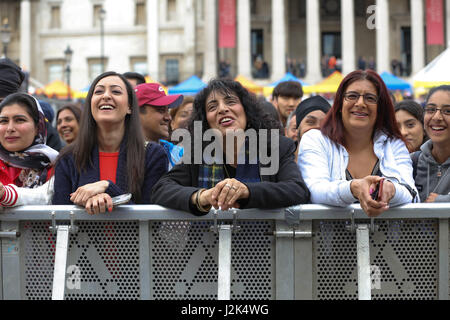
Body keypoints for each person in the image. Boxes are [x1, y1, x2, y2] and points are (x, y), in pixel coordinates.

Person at [151, 79, 310, 215]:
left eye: (230, 102)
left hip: (265, 246)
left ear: (247, 111)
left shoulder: (276, 146)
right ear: (206, 122)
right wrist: (202, 197)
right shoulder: (196, 153)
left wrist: (247, 191)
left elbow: (296, 189)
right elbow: (161, 189)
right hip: (207, 246)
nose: (222, 109)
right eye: (212, 107)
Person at [298, 70, 419, 217]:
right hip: (328, 239)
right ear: (340, 104)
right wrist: (353, 188)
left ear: (380, 107)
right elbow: (315, 190)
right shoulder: (315, 139)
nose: (360, 103)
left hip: (390, 239)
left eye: (370, 98)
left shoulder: (394, 143)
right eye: (352, 96)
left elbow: (411, 193)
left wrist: (391, 190)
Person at [52, 71, 168, 214]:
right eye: (99, 91)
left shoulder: (153, 154)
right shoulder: (67, 157)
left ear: (130, 107)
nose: (106, 96)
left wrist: (108, 188)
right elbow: (60, 220)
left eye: (116, 92)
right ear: (90, 104)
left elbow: (151, 222)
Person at [0, 93, 59, 206]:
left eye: (19, 120)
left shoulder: (58, 164)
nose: (10, 128)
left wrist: (5, 195)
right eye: (3, 121)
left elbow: (45, 197)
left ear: (38, 127)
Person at [412, 85, 450, 203]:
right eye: (431, 109)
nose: (437, 117)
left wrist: (441, 201)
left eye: (448, 111)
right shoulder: (411, 162)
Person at [134, 82, 184, 169]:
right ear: (137, 113)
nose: (168, 117)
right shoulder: (120, 153)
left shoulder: (177, 153)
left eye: (167, 110)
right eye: (161, 110)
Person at [292, 95, 331, 162]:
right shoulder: (281, 163)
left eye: (324, 124)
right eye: (310, 122)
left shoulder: (341, 163)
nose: (317, 128)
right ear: (297, 129)